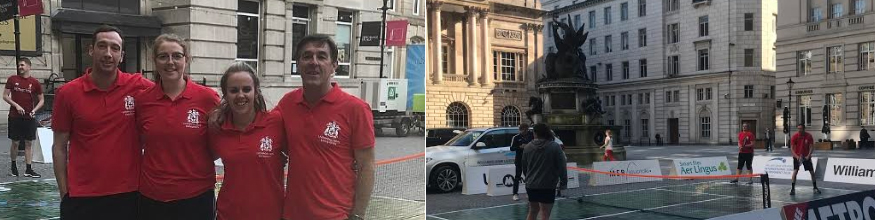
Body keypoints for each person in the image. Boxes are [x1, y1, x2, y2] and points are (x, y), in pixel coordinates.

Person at [51, 25, 154, 219]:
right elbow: (59, 147)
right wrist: (65, 193)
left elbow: (171, 93)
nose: (108, 53)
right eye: (102, 46)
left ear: (121, 55)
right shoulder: (68, 93)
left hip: (129, 193)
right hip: (82, 196)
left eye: (115, 48)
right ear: (91, 50)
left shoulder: (138, 86)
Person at [274, 34, 375, 220]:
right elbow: (260, 127)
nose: (314, 62)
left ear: (334, 65)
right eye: (307, 56)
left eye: (321, 56)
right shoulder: (286, 104)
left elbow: (366, 166)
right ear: (297, 64)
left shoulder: (356, 109)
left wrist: (358, 214)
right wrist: (223, 113)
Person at [135, 33, 220, 219]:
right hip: (152, 196)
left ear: (186, 59)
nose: (170, 62)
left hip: (196, 196)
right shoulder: (143, 100)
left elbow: (217, 146)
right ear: (154, 61)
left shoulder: (207, 98)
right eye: (163, 56)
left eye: (177, 56)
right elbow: (140, 142)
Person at [208, 62, 287, 220]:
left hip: (271, 214)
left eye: (246, 89)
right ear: (225, 94)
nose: (240, 95)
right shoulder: (218, 128)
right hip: (229, 214)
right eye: (234, 90)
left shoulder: (277, 122)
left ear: (256, 92)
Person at [4, 58, 44, 178]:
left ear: (28, 66)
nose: (20, 67)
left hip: (29, 117)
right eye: (19, 65)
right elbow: (5, 96)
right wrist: (16, 106)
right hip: (15, 116)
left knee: (28, 143)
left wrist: (34, 110)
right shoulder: (12, 79)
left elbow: (42, 100)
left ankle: (28, 169)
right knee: (15, 142)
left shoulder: (35, 82)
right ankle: (13, 166)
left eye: (22, 65)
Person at [520, 123, 567, 220]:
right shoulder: (555, 147)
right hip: (548, 185)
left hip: (531, 185)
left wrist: (528, 178)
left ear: (535, 133)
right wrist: (563, 183)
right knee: (545, 214)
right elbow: (562, 166)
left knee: (532, 211)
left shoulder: (527, 147)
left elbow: (524, 167)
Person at [790, 124, 821, 195]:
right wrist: (796, 156)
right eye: (798, 129)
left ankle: (815, 187)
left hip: (806, 156)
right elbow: (791, 148)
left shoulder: (809, 136)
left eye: (800, 129)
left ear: (804, 129)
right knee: (795, 171)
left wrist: (808, 156)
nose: (799, 130)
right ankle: (792, 189)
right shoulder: (794, 136)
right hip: (797, 156)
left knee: (812, 172)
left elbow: (811, 147)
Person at [510, 123, 533, 201]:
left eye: (526, 130)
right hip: (519, 160)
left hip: (529, 160)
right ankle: (515, 194)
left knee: (529, 177)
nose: (524, 131)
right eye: (522, 130)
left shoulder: (532, 136)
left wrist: (528, 146)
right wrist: (520, 147)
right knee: (517, 176)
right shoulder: (516, 137)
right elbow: (512, 148)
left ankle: (529, 193)